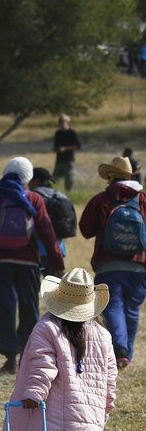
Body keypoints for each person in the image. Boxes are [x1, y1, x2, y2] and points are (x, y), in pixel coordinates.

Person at [5, 268, 117, 431]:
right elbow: (110, 375)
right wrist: (106, 406)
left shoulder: (48, 328)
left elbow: (43, 365)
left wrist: (34, 393)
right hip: (87, 412)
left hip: (51, 414)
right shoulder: (102, 334)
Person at [0, 158, 64, 374]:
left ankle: (10, 359)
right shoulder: (34, 198)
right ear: (28, 177)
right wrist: (56, 263)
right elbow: (46, 230)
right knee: (29, 309)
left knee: (3, 310)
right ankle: (27, 356)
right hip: (29, 263)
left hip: (0, 262)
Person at [78, 156, 146, 369]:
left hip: (108, 263)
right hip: (139, 265)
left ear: (109, 176)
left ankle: (120, 350)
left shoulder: (102, 199)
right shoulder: (142, 200)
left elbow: (86, 229)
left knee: (113, 306)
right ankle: (127, 353)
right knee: (132, 309)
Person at [52, 114, 81, 192]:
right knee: (54, 180)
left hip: (69, 160)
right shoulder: (58, 133)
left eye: (63, 121)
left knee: (69, 180)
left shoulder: (72, 132)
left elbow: (78, 146)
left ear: (68, 122)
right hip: (59, 160)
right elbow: (55, 145)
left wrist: (65, 148)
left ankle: (68, 194)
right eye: (60, 121)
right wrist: (56, 149)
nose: (61, 123)